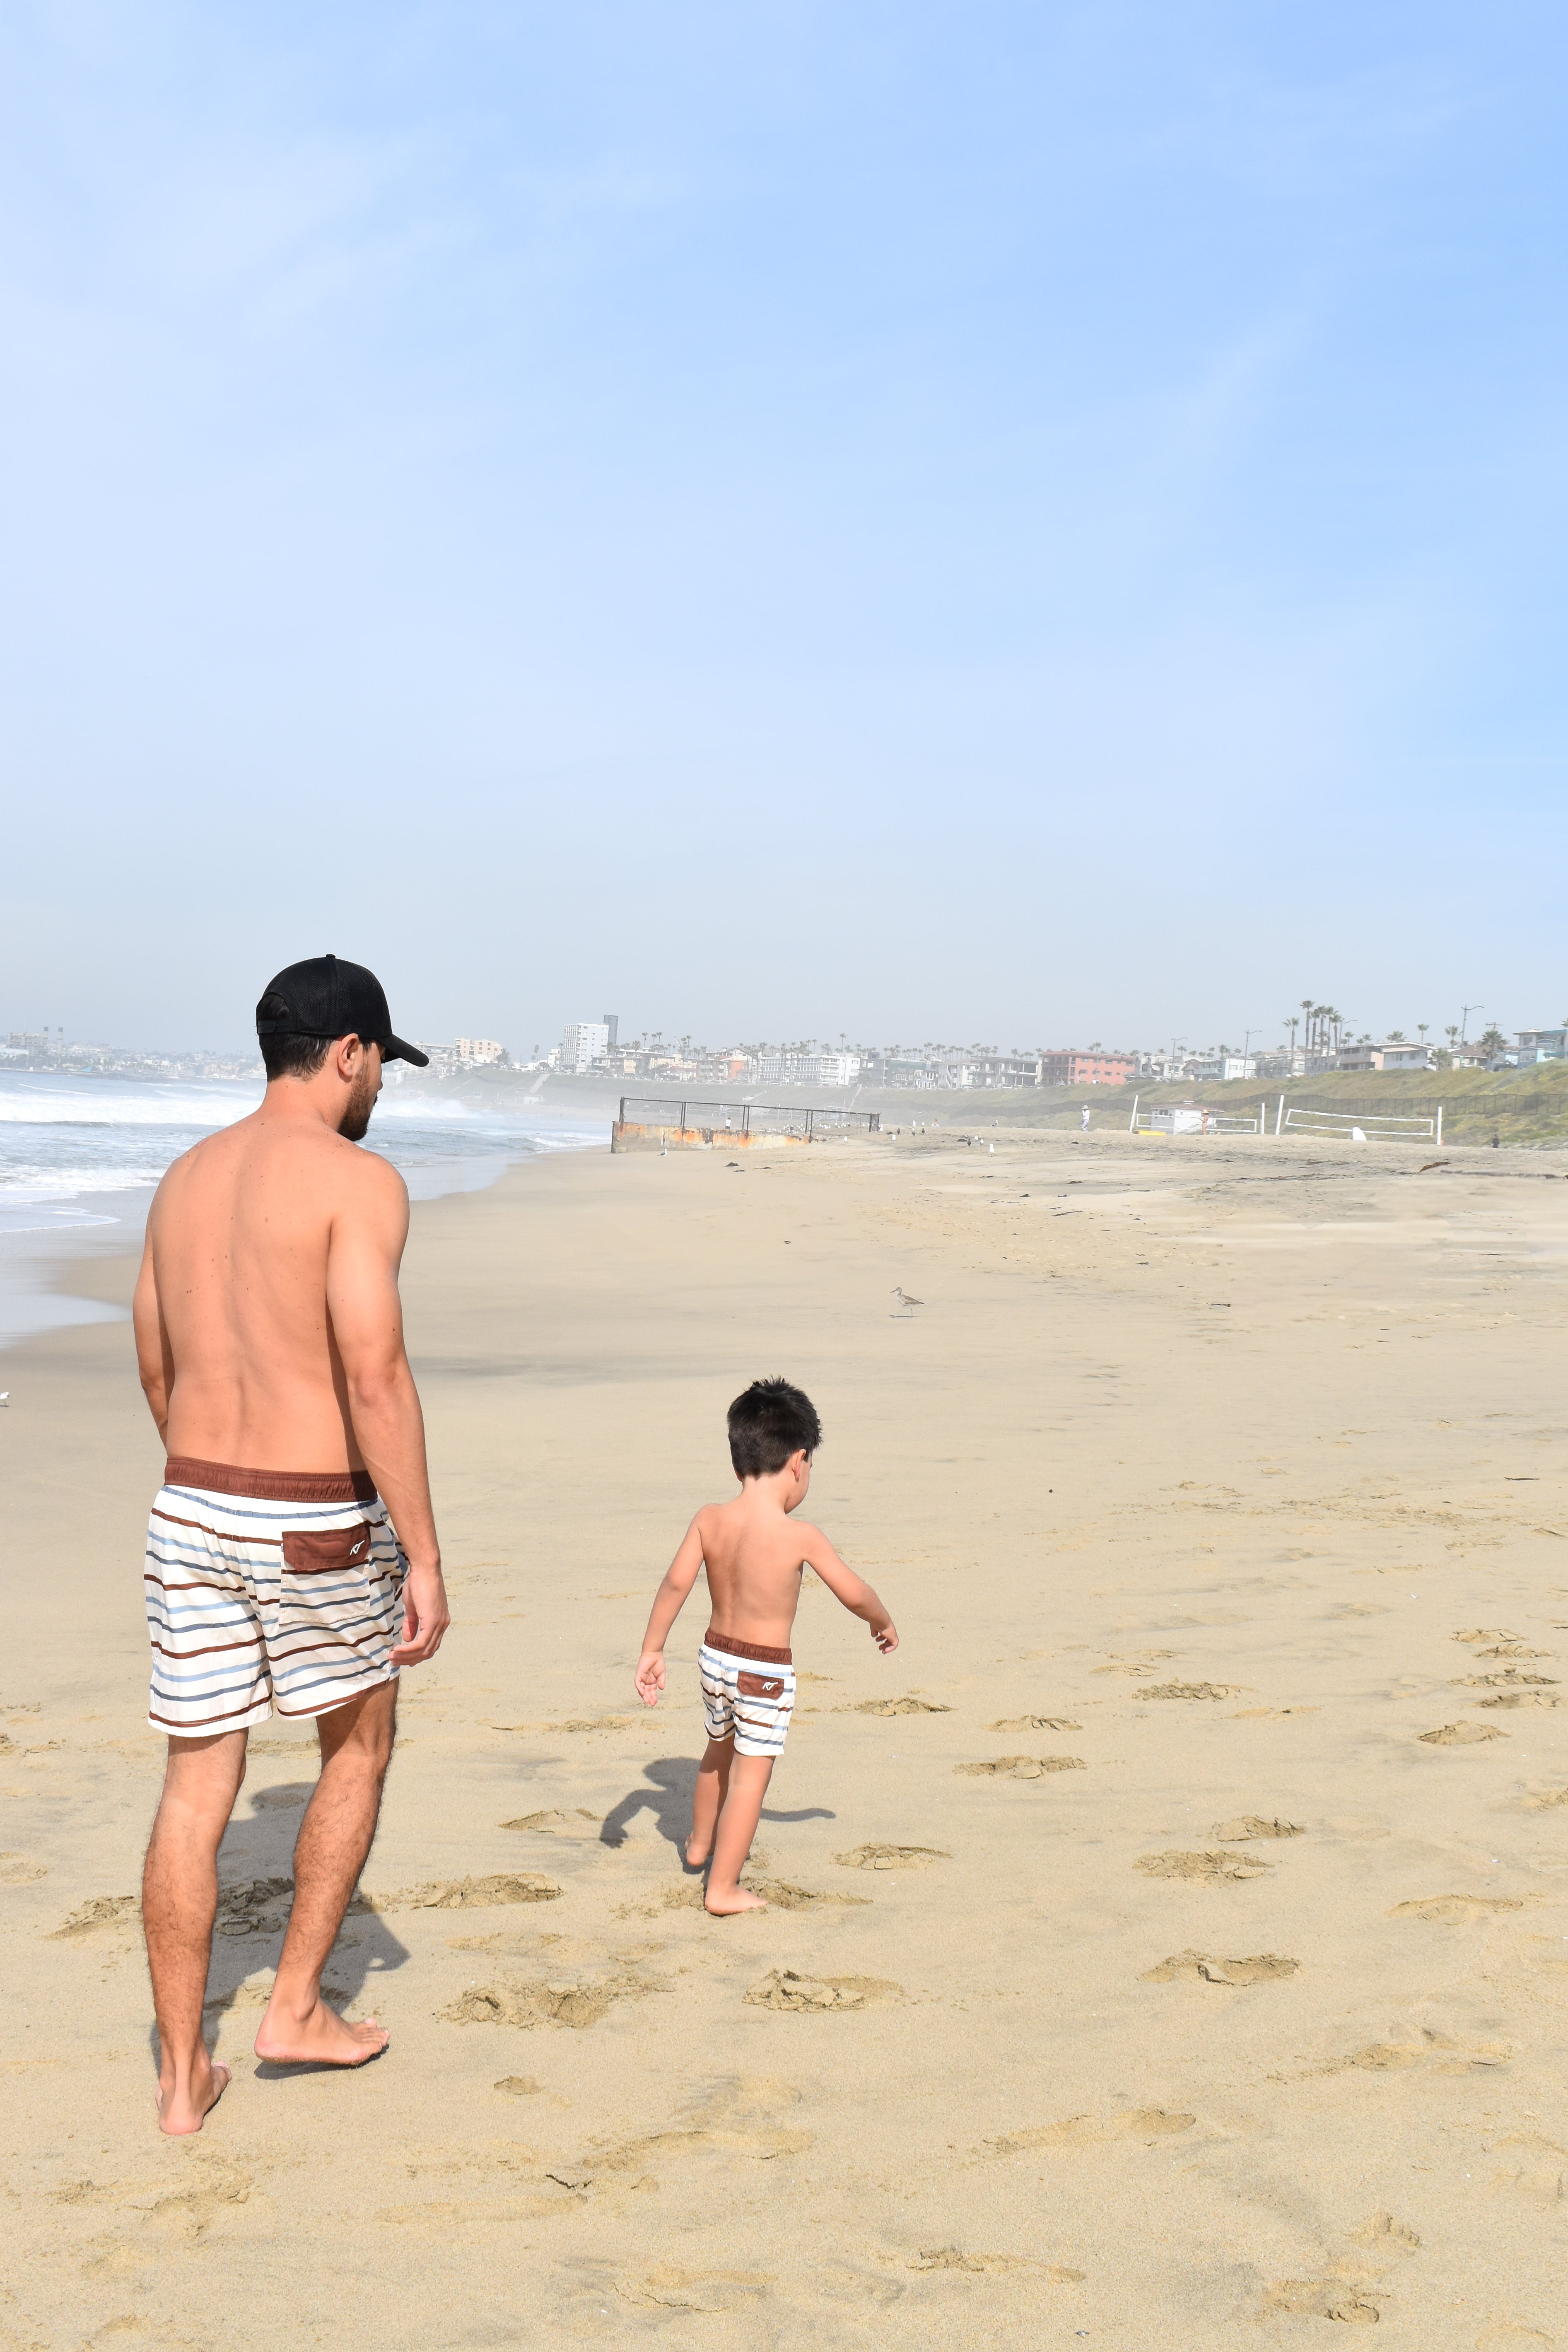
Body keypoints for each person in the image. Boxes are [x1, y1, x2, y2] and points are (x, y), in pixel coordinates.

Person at [133, 955, 450, 2135]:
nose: (382, 1090)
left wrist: (215, 1481)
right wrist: (419, 1551)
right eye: (382, 1065)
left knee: (194, 1785)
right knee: (359, 1741)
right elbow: (373, 1372)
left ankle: (179, 2081)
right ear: (351, 1052)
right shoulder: (355, 1182)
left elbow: (158, 1366)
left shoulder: (183, 1180)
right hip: (312, 1510)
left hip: (191, 1501)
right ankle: (296, 2011)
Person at [633, 1379, 897, 1915]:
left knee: (716, 1753)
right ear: (799, 1462)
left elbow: (676, 1584)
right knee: (751, 1778)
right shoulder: (799, 1535)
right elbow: (854, 1593)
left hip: (713, 1659)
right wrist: (881, 1620)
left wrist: (652, 1649)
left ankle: (699, 1845)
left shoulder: (710, 1519)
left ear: (738, 1464)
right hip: (763, 1672)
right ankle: (722, 1888)